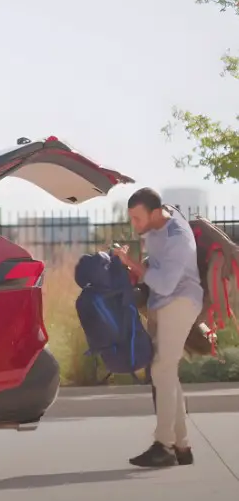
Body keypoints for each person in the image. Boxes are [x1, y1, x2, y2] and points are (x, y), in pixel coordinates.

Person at [112, 187, 203, 467]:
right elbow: (156, 270)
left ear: (154, 213)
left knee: (162, 369)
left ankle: (164, 444)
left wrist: (131, 264)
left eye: (138, 219)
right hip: (160, 302)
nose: (134, 225)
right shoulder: (157, 221)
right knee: (166, 372)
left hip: (181, 301)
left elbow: (164, 282)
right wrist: (136, 266)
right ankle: (182, 446)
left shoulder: (179, 239)